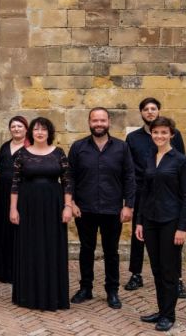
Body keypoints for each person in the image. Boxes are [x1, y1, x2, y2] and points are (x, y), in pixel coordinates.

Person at [68, 108, 136, 309]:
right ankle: (86, 288)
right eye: (95, 120)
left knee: (111, 252)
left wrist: (129, 205)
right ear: (89, 122)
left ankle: (112, 291)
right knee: (86, 250)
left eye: (102, 120)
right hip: (85, 209)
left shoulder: (122, 148)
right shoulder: (78, 147)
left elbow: (129, 178)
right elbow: (69, 177)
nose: (99, 124)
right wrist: (71, 203)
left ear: (109, 122)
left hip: (112, 209)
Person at [125, 97, 186, 298]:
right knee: (139, 234)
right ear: (141, 113)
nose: (150, 112)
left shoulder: (174, 138)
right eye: (146, 109)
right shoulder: (133, 138)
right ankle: (136, 273)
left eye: (153, 108)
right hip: (142, 193)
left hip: (168, 197)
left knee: (171, 246)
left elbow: (180, 164)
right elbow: (129, 167)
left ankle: (177, 279)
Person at [10, 117, 73, 311]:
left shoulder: (59, 153)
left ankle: (53, 295)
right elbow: (15, 183)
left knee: (52, 246)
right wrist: (13, 208)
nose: (39, 132)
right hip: (28, 206)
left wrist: (67, 206)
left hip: (53, 206)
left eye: (43, 129)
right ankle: (28, 294)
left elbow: (67, 182)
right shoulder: (22, 154)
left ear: (49, 132)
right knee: (30, 247)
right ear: (31, 132)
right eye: (36, 129)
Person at [135, 117, 186, 332]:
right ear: (151, 134)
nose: (159, 136)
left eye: (164, 133)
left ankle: (169, 315)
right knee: (157, 269)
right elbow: (145, 192)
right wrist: (139, 222)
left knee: (169, 271)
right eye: (156, 132)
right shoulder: (150, 158)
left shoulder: (180, 160)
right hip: (150, 221)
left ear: (172, 135)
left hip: (171, 222)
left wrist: (182, 227)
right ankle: (161, 310)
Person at [0, 115, 28, 283]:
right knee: (0, 228)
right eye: (13, 126)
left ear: (26, 129)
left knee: (14, 230)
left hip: (19, 194)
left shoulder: (29, 148)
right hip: (2, 192)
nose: (16, 129)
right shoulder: (4, 146)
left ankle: (13, 270)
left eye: (19, 126)